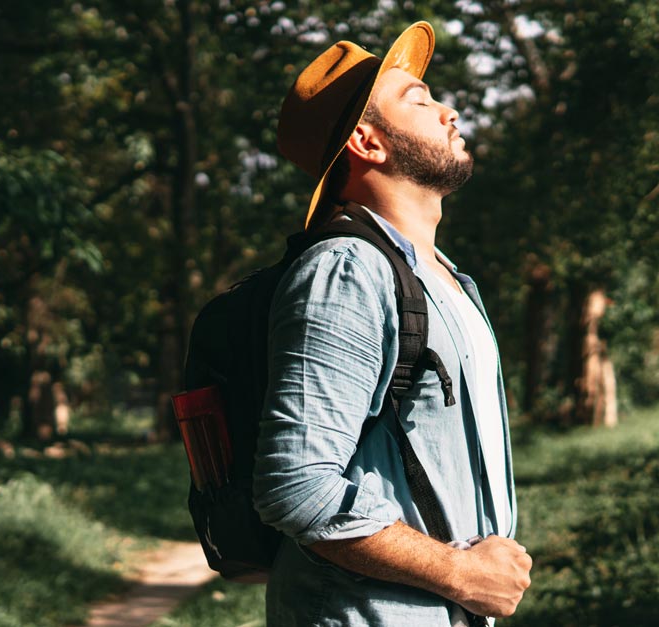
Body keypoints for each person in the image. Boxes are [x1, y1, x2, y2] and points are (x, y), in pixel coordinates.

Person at [253, 21, 532, 626]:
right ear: (367, 142)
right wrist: (460, 573)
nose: (449, 110)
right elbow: (296, 485)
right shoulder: (348, 271)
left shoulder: (449, 280)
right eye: (420, 100)